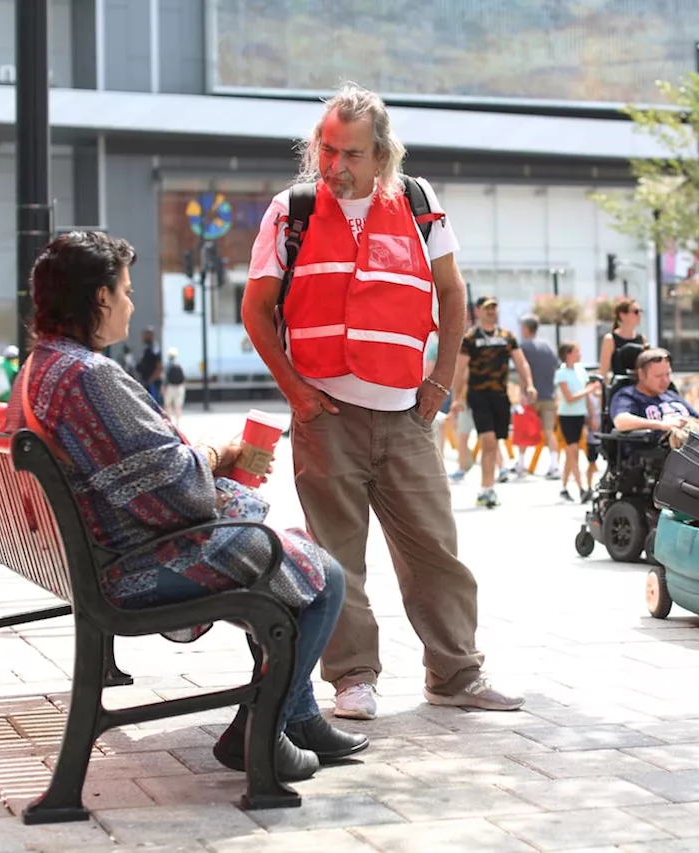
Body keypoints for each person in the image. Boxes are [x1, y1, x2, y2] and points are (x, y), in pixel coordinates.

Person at [7, 231, 367, 782]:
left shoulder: (42, 368)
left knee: (290, 549)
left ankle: (295, 715)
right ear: (99, 298)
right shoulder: (88, 375)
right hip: (127, 569)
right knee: (323, 574)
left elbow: (146, 474)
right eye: (125, 291)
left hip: (91, 554)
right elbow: (179, 491)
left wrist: (212, 467)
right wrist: (219, 456)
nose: (130, 304)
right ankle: (260, 731)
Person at [241, 83, 523, 721]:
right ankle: (352, 678)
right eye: (327, 149)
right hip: (326, 417)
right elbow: (257, 311)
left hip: (406, 415)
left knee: (435, 550)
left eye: (352, 155)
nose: (336, 166)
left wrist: (439, 383)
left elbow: (452, 296)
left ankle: (455, 673)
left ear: (382, 155)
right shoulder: (293, 211)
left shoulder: (420, 204)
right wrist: (297, 394)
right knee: (338, 556)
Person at [450, 295, 537, 509]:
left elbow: (521, 362)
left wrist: (529, 385)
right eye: (487, 308)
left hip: (500, 397)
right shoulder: (470, 338)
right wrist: (455, 398)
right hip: (478, 396)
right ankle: (486, 489)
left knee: (494, 442)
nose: (491, 311)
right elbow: (460, 370)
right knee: (488, 440)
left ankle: (488, 487)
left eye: (494, 308)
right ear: (479, 311)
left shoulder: (507, 337)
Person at [554, 341, 601, 501]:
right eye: (576, 351)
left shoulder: (581, 370)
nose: (579, 354)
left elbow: (587, 396)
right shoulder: (561, 373)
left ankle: (564, 487)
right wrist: (588, 390)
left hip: (580, 414)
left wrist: (592, 414)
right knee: (572, 450)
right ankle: (581, 488)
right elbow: (569, 398)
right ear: (568, 354)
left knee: (571, 452)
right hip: (567, 416)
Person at [611, 348, 699, 431]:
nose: (665, 380)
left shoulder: (670, 395)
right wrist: (663, 425)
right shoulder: (628, 396)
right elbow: (621, 421)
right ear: (641, 374)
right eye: (659, 376)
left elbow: (698, 418)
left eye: (667, 375)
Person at [517, 314, 560, 479]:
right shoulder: (548, 347)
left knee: (524, 430)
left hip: (531, 396)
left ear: (526, 329)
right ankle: (554, 466)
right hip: (549, 395)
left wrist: (522, 392)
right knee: (549, 432)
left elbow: (522, 371)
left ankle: (521, 465)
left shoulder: (523, 347)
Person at [598, 297, 646, 379]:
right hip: (620, 385)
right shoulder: (610, 339)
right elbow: (603, 371)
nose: (639, 315)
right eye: (636, 312)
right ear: (622, 315)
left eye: (640, 311)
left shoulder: (642, 338)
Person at [136, 327, 164, 406]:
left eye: (145, 335)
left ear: (150, 335)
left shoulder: (154, 348)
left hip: (152, 382)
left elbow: (159, 366)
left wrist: (151, 379)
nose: (143, 337)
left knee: (154, 404)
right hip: (147, 381)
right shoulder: (148, 348)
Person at [163, 347, 186, 426]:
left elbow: (165, 378)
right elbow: (183, 378)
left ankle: (169, 421)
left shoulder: (167, 365)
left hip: (170, 387)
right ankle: (178, 423)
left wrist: (163, 387)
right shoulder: (179, 365)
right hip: (179, 387)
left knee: (168, 404)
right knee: (178, 406)